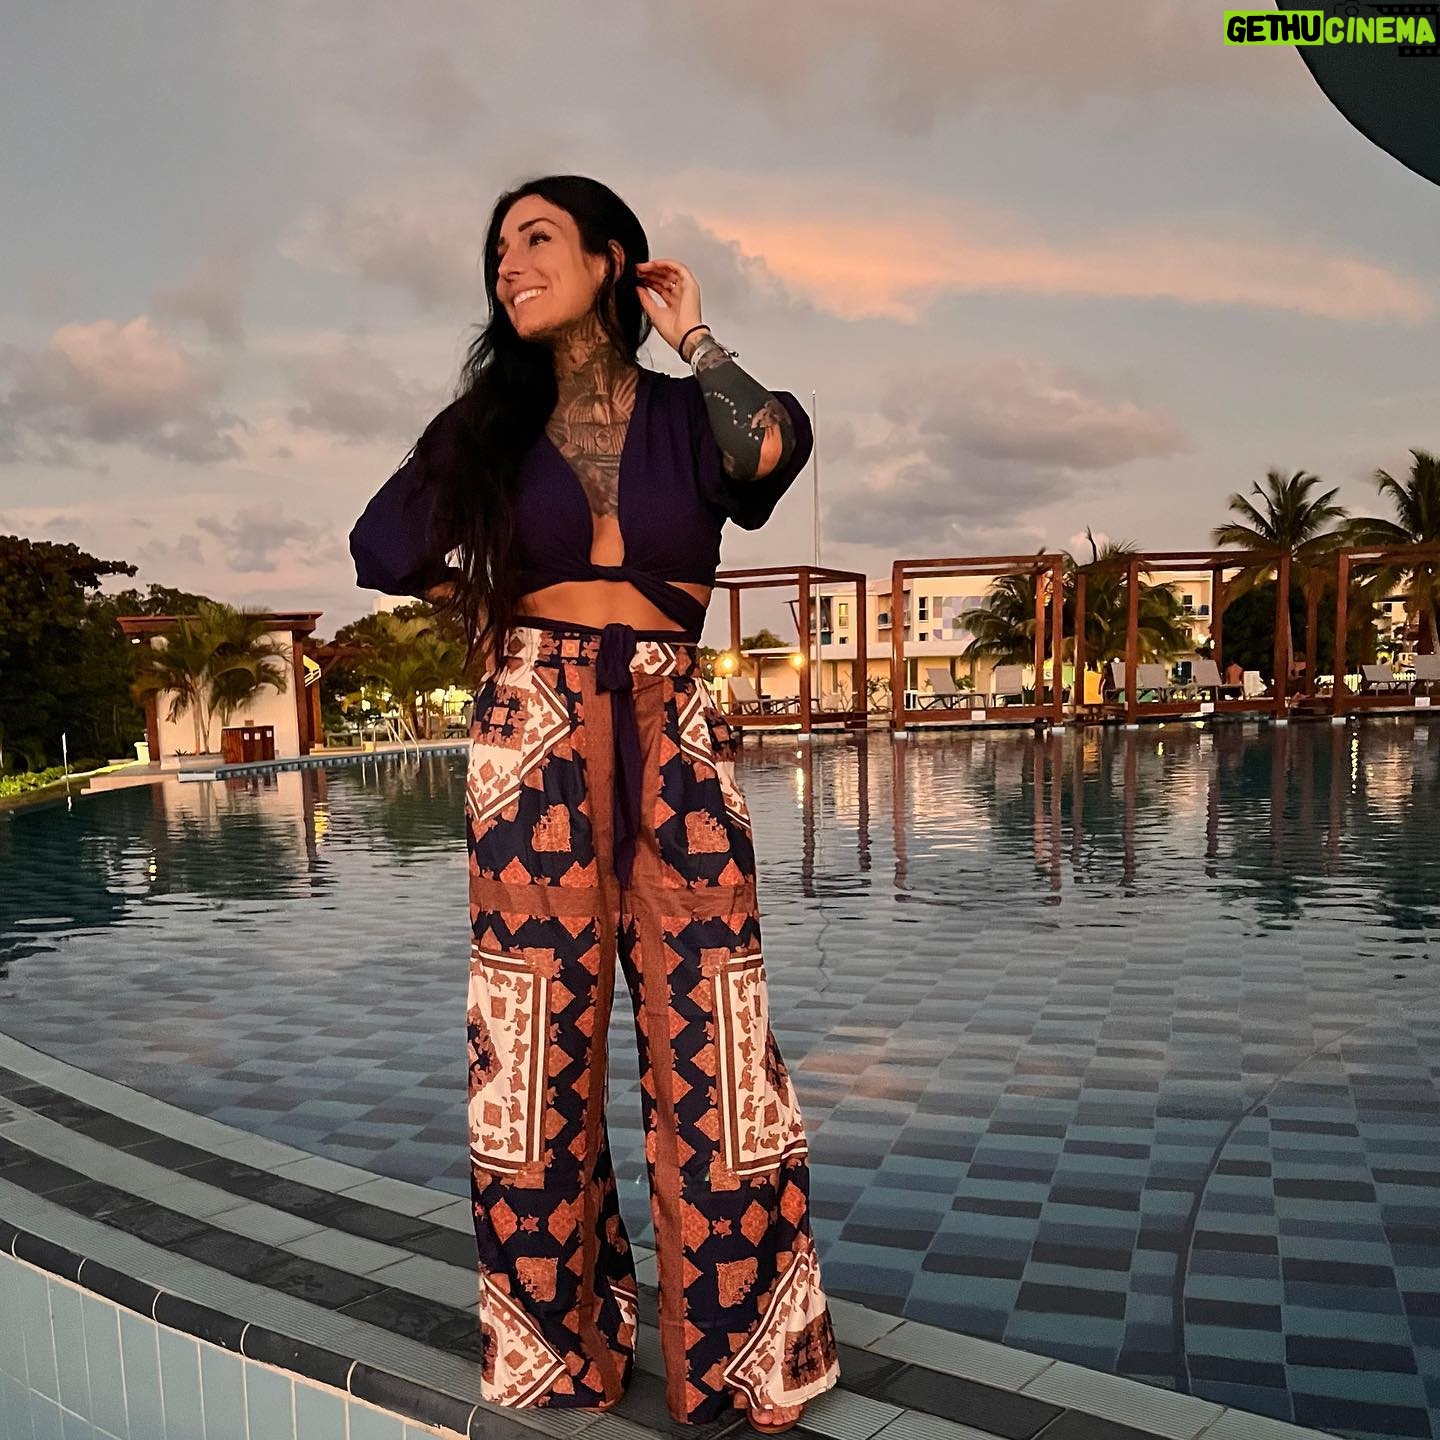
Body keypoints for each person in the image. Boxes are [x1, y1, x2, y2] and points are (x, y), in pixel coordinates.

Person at [348, 176, 839, 1432]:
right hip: (535, 734)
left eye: (537, 239)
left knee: (719, 1042)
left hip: (676, 727)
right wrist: (488, 601)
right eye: (497, 249)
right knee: (531, 1055)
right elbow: (382, 547)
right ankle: (555, 1346)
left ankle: (748, 1356)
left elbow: (769, 450)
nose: (508, 264)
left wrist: (697, 335)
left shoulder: (686, 412)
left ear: (613, 259)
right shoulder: (491, 426)